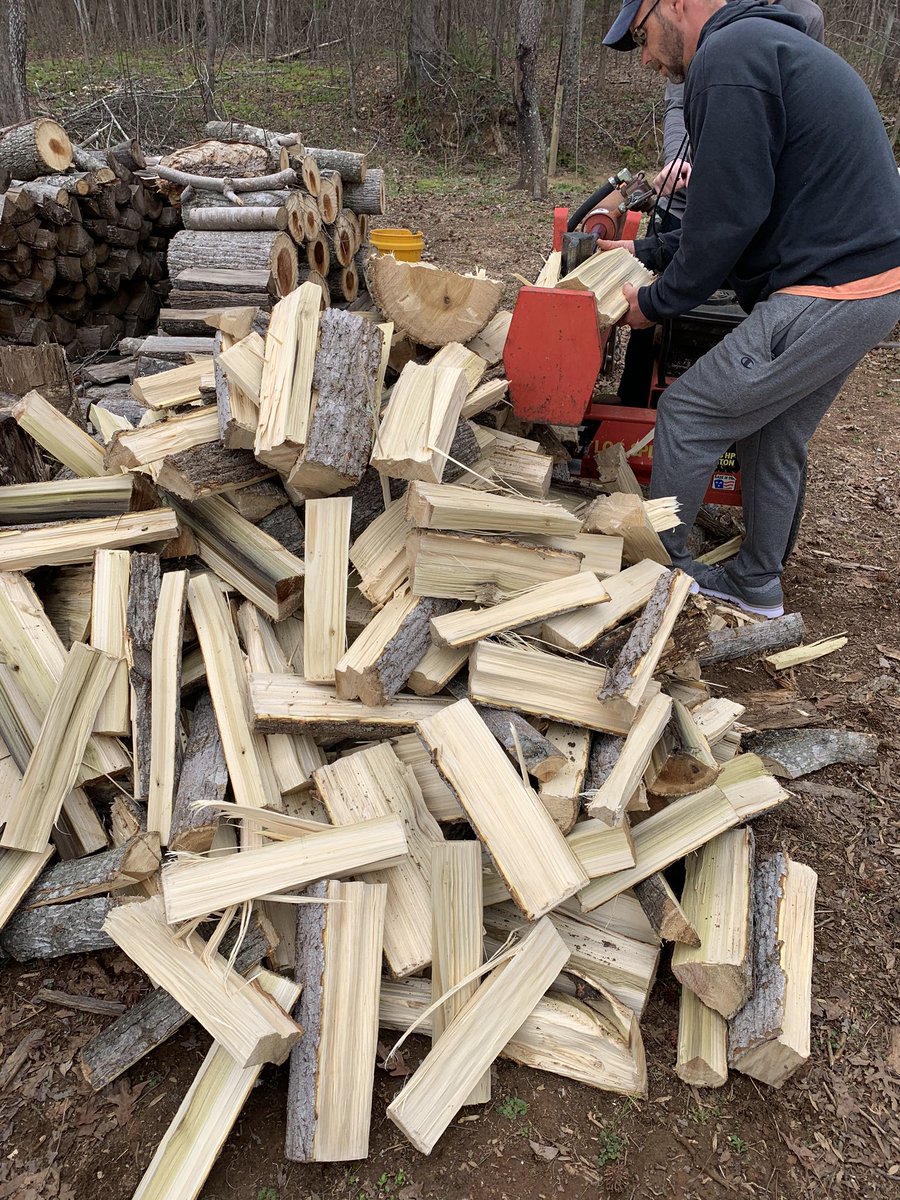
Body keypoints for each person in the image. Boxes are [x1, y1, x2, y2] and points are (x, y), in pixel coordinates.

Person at [600, 0, 900, 618]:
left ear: (675, 5)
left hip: (827, 290)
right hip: (869, 285)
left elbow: (727, 219)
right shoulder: (763, 49)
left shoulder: (728, 58)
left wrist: (656, 303)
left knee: (687, 415)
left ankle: (665, 584)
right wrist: (644, 249)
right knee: (774, 434)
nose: (649, 60)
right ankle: (757, 586)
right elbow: (740, 201)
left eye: (643, 37)